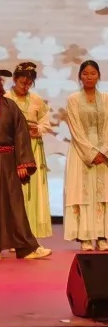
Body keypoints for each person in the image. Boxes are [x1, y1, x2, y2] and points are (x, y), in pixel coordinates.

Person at [0, 55, 51, 260]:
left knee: (14, 206)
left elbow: (21, 134)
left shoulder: (9, 106)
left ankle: (26, 247)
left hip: (6, 160)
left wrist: (22, 162)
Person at [63, 60, 108, 251]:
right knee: (82, 193)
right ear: (80, 76)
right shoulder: (73, 99)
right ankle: (85, 237)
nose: (89, 77)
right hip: (80, 151)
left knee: (102, 193)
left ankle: (102, 236)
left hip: (103, 152)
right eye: (85, 73)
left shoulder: (105, 98)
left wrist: (103, 151)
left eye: (93, 73)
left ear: (99, 76)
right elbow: (75, 128)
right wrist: (90, 153)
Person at [7, 62, 53, 238]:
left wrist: (38, 129)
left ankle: (32, 233)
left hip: (33, 147)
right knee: (15, 190)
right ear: (14, 79)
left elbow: (45, 122)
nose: (25, 86)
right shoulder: (6, 99)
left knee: (34, 190)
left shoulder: (36, 100)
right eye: (22, 82)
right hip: (13, 148)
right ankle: (15, 234)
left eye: (29, 84)